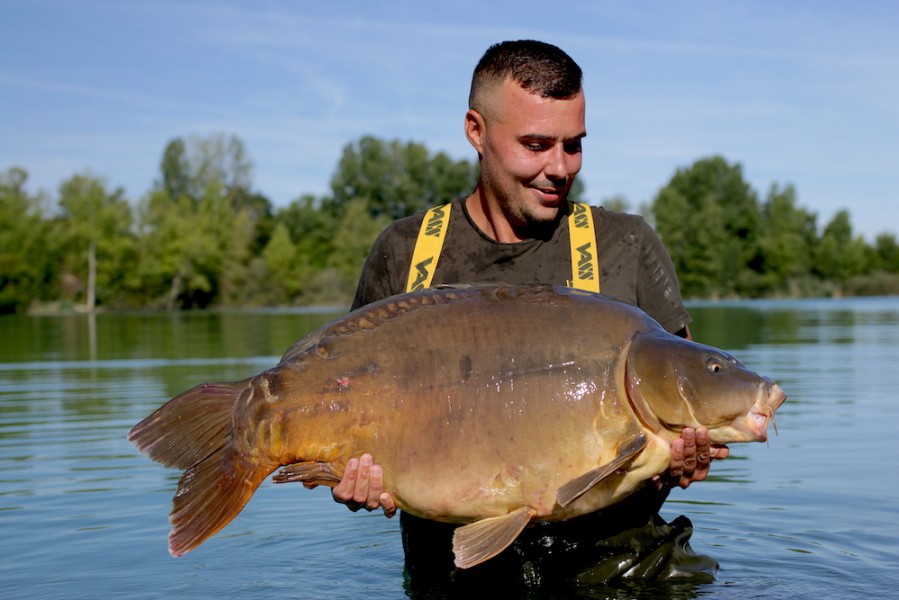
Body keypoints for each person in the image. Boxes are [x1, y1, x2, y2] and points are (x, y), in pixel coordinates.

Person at [322, 40, 727, 591]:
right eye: (536, 145)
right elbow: (346, 410)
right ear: (475, 131)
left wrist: (682, 464)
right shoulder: (407, 252)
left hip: (622, 572)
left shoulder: (625, 246)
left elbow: (679, 397)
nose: (559, 168)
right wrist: (349, 478)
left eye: (574, 145)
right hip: (459, 578)